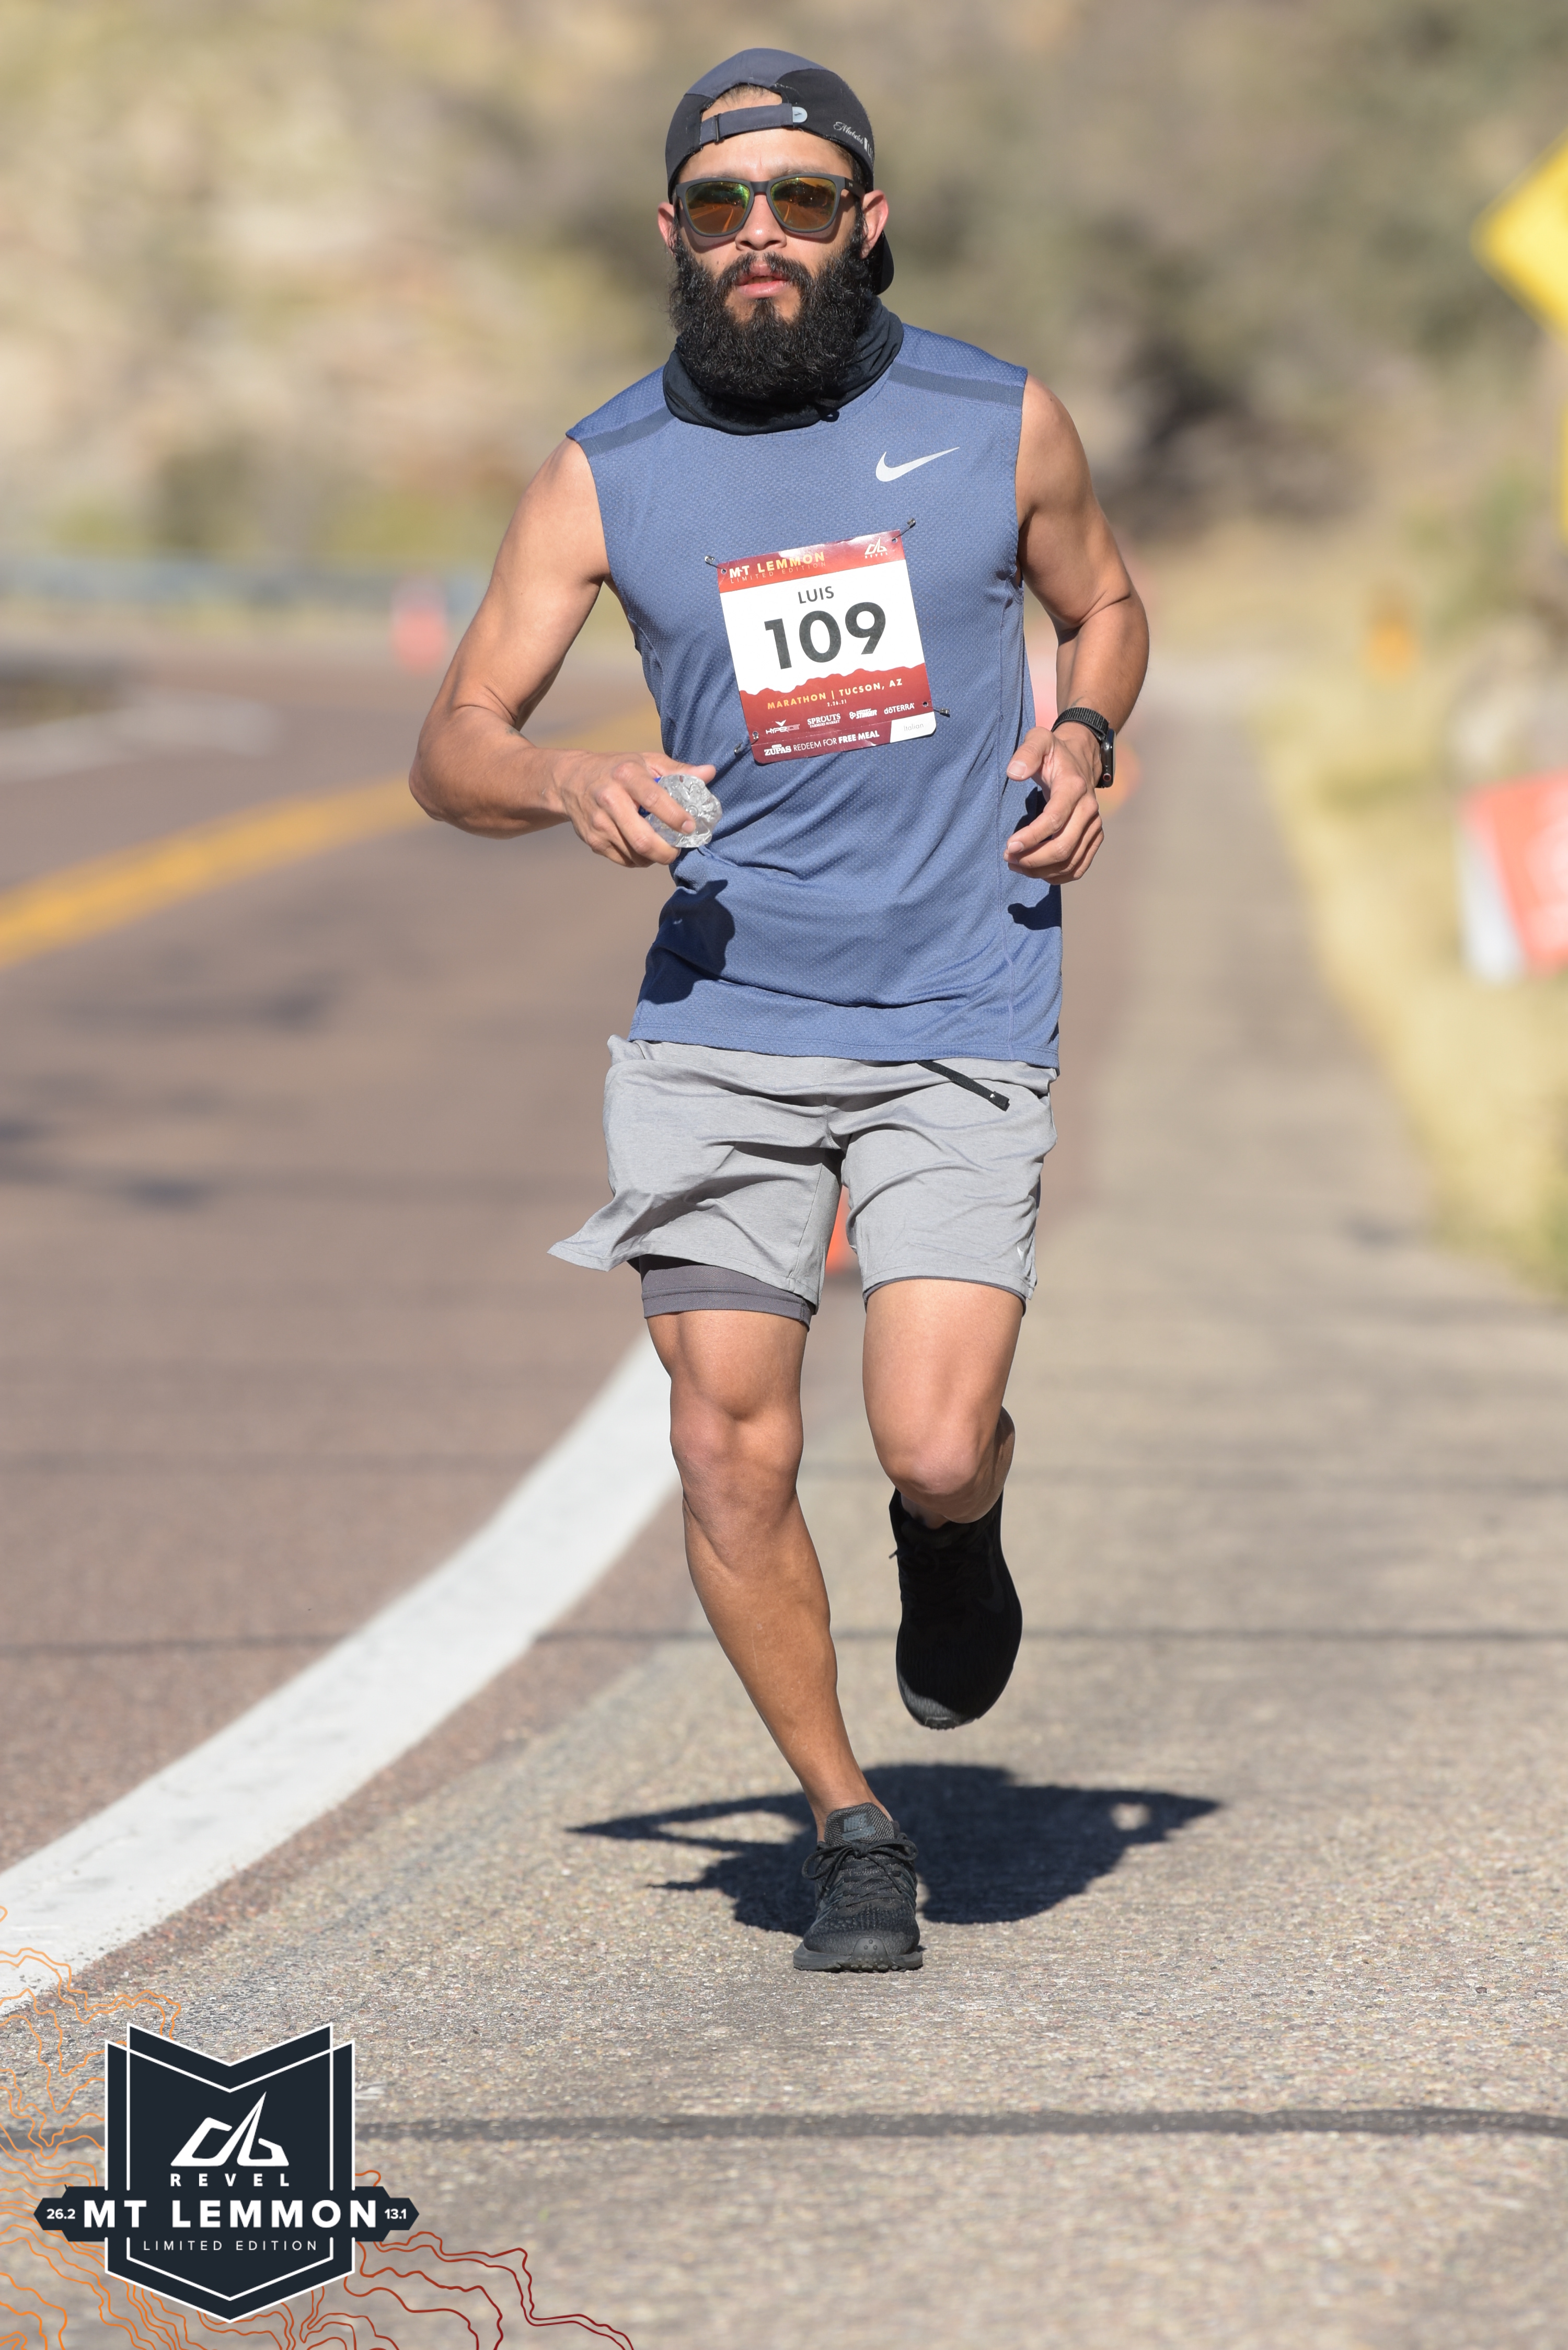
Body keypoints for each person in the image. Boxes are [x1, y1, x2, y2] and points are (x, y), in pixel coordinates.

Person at [411, 48, 1148, 1973]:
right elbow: (453, 740)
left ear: (865, 223)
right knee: (727, 1444)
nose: (761, 235)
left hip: (959, 998)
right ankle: (848, 1825)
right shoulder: (604, 470)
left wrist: (1083, 729)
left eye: (801, 202)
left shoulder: (996, 418)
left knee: (930, 1439)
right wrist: (563, 777)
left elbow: (1108, 605)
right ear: (673, 230)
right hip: (721, 1021)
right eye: (723, 204)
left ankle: (955, 1528)